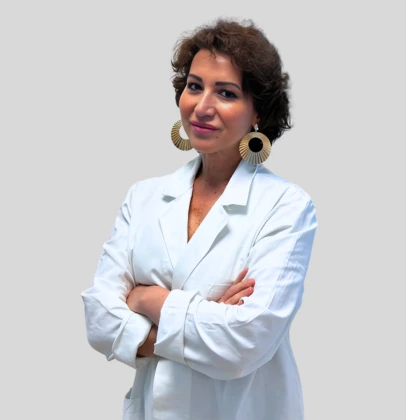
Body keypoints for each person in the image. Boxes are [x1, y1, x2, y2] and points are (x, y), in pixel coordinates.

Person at [82, 17, 317, 420]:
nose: (202, 107)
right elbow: (99, 319)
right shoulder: (144, 197)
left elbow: (244, 343)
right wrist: (206, 316)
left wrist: (147, 300)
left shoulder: (286, 206)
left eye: (226, 93)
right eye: (194, 86)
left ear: (258, 112)